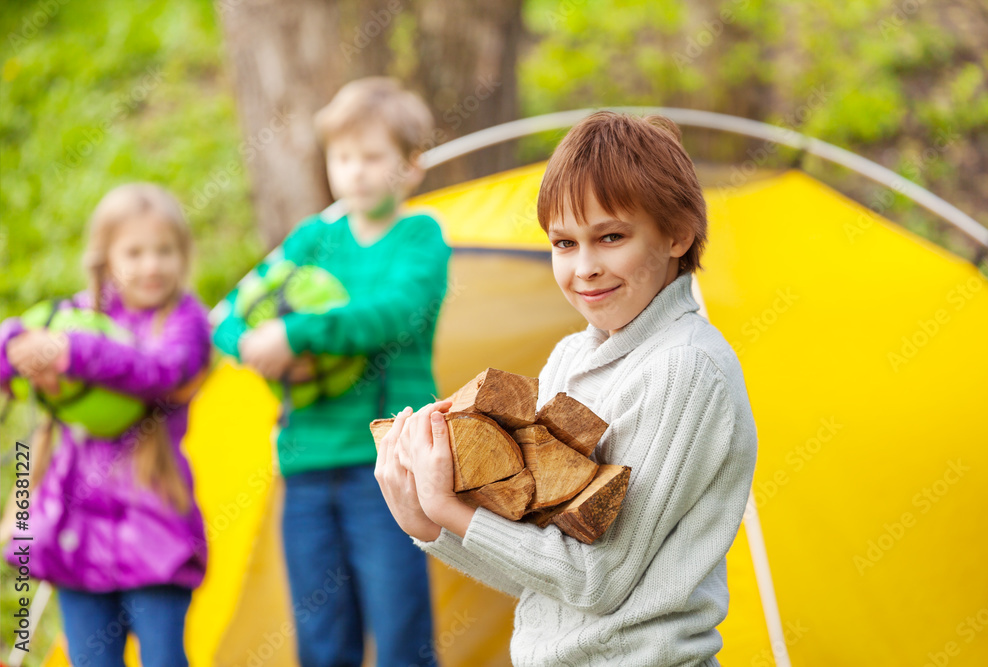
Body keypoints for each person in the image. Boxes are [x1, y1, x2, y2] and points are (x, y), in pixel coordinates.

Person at [376, 111, 759, 667]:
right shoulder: (572, 357)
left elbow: (593, 580)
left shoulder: (685, 368)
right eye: (563, 243)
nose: (585, 268)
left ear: (677, 234)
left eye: (610, 237)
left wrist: (447, 506)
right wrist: (428, 523)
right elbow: (544, 570)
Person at [212, 77, 447, 667]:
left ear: (411, 167)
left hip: (389, 469)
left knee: (400, 630)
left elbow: (390, 315)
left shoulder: (421, 237)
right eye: (343, 157)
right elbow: (226, 320)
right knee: (321, 635)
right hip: (307, 467)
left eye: (373, 157)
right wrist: (252, 343)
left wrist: (296, 333)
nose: (356, 172)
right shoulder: (313, 239)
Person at [0, 183, 211, 666]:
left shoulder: (185, 322)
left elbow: (159, 371)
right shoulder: (76, 315)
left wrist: (72, 352)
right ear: (105, 259)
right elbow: (14, 344)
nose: (151, 265)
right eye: (134, 252)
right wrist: (17, 343)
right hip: (76, 534)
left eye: (165, 251)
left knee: (163, 658)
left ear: (183, 255)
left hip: (153, 527)